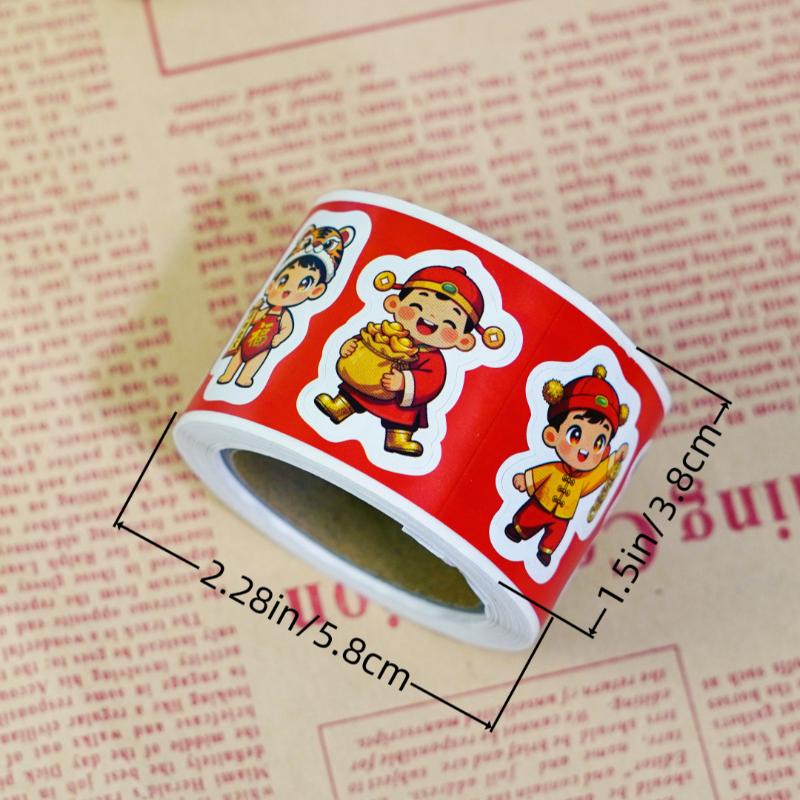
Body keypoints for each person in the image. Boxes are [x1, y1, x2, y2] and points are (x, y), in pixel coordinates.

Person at [505, 365, 629, 566]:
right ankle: (518, 530)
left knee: (556, 534)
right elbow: (539, 473)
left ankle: (546, 550)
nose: (585, 450)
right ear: (552, 436)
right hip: (542, 504)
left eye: (598, 443)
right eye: (575, 435)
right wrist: (525, 479)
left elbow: (599, 475)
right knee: (528, 517)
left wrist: (614, 459)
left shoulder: (584, 480)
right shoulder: (553, 468)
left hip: (563, 516)